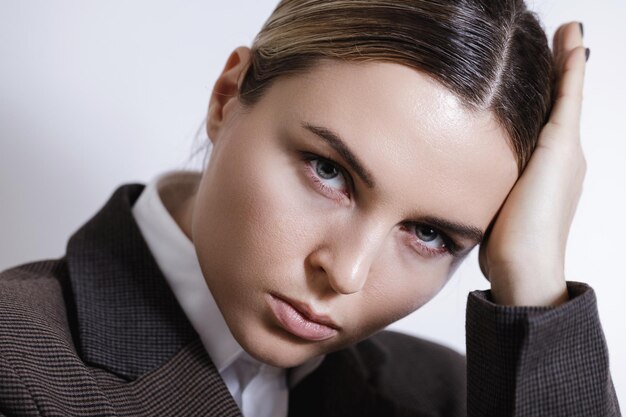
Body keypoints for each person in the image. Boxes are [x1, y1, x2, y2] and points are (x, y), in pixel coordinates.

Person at [0, 0, 621, 416]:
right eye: (330, 172)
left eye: (430, 235)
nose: (346, 274)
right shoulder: (16, 361)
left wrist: (535, 287)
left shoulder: (448, 398)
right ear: (226, 97)